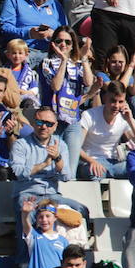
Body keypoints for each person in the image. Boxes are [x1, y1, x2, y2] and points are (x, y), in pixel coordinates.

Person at [10, 106, 88, 255]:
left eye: (49, 124)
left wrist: (58, 159)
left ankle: (73, 258)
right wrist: (44, 164)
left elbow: (67, 176)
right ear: (33, 123)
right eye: (40, 122)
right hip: (28, 192)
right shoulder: (21, 144)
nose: (44, 127)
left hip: (52, 195)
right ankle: (25, 262)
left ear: (55, 126)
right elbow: (17, 173)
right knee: (26, 210)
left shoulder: (60, 145)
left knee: (81, 210)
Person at [41, 25, 96, 172]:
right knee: (53, 167)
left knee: (70, 170)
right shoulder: (48, 62)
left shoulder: (78, 64)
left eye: (68, 42)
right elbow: (56, 86)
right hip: (53, 121)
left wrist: (84, 58)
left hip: (73, 120)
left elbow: (89, 82)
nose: (63, 45)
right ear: (53, 43)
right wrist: (64, 61)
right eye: (59, 41)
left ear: (73, 45)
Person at [0, 0, 68, 67]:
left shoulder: (55, 4)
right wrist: (29, 33)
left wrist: (54, 35)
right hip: (22, 53)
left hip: (50, 53)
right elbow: (4, 29)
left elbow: (66, 32)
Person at [78, 81, 135, 180]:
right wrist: (91, 161)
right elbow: (76, 147)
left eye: (120, 102)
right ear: (105, 98)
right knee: (94, 173)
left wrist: (130, 120)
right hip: (91, 162)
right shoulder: (89, 115)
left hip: (115, 163)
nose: (116, 106)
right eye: (113, 101)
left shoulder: (124, 118)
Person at [17, 196, 70, 268]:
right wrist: (25, 214)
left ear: (55, 217)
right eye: (40, 217)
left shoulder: (63, 241)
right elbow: (26, 225)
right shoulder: (35, 236)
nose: (44, 220)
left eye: (48, 216)